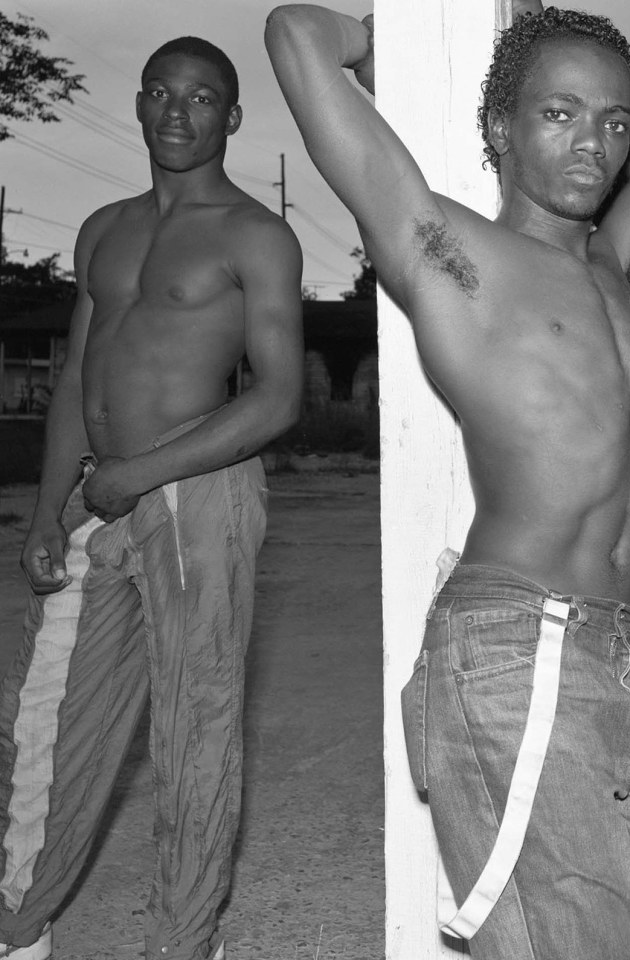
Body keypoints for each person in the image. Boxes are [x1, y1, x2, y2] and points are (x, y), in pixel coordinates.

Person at [265, 5, 630, 959]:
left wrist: (562, 68)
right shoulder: (453, 256)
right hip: (518, 646)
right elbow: (294, 32)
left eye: (610, 123)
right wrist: (438, 52)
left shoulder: (612, 263)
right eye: (557, 114)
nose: (594, 144)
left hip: (626, 655)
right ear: (498, 130)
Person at [0, 37, 303, 960]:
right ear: (138, 104)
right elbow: (79, 383)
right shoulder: (103, 228)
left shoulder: (256, 234)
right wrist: (53, 509)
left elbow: (279, 397)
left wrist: (142, 474)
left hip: (198, 492)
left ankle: (183, 940)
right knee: (50, 709)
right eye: (163, 94)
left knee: (194, 721)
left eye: (203, 98)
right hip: (102, 491)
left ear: (232, 118)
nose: (179, 112)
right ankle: (19, 924)